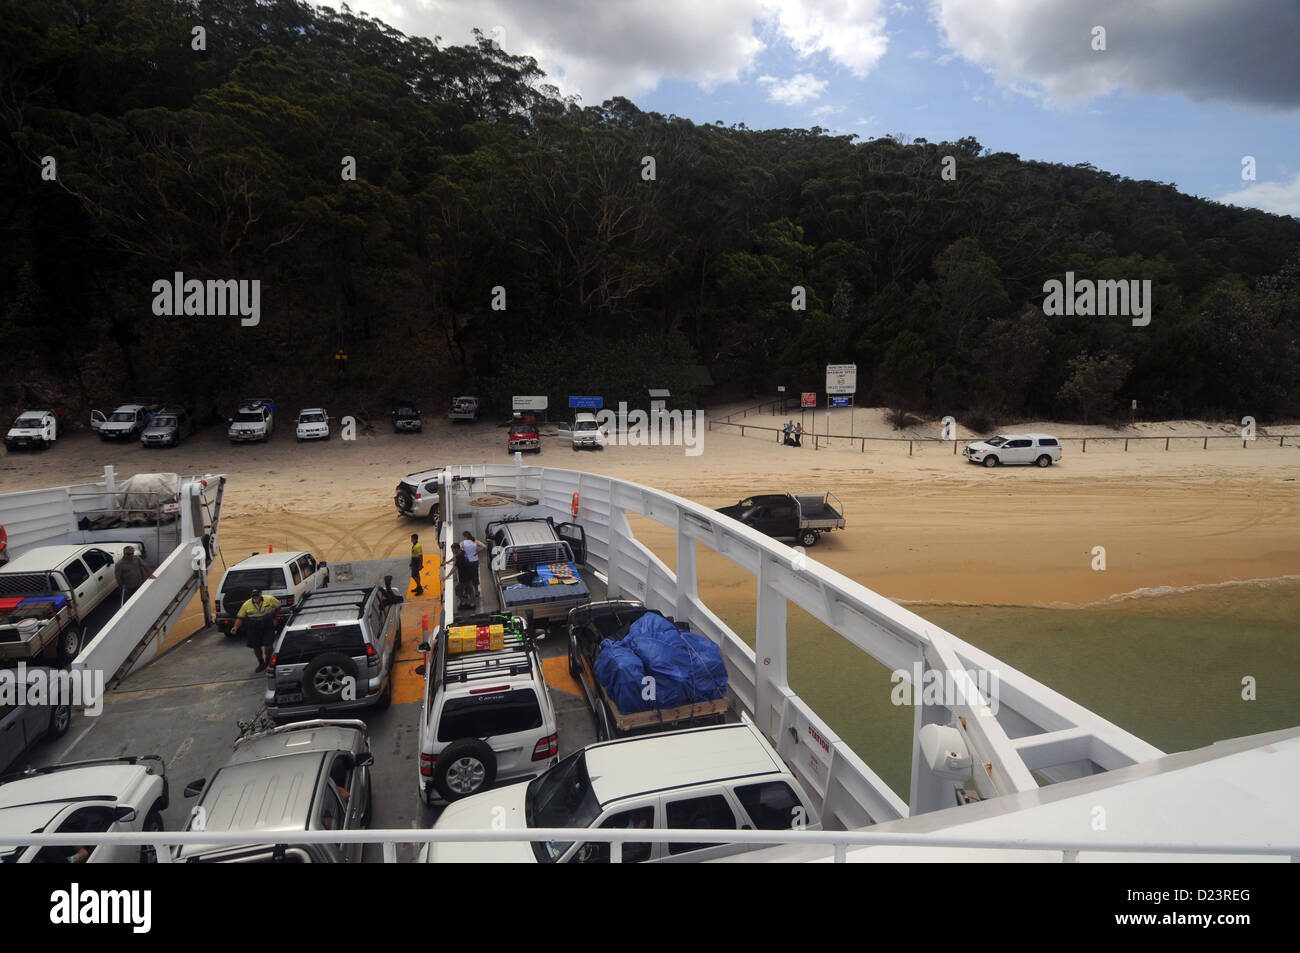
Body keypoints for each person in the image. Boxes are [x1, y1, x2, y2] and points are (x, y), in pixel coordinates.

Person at [230, 589, 282, 672]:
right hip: (254, 627)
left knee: (268, 646)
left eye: (257, 595)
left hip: (267, 625)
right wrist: (235, 627)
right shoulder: (246, 605)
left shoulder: (270, 599)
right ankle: (261, 663)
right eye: (253, 596)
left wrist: (275, 618)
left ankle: (268, 662)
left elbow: (278, 606)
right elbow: (240, 617)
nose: (255, 598)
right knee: (256, 646)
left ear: (261, 594)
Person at [460, 531, 486, 605]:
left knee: (467, 577)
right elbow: (484, 546)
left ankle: (466, 592)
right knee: (475, 576)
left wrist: (464, 553)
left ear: (464, 536)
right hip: (475, 561)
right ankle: (477, 591)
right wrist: (477, 552)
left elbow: (459, 548)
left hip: (467, 562)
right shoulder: (475, 541)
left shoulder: (463, 543)